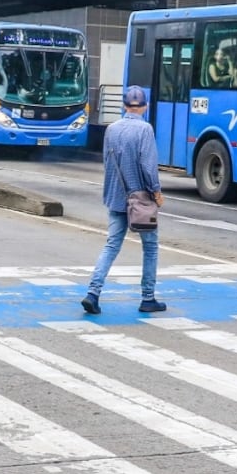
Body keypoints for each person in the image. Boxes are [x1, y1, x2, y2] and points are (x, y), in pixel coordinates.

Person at [81, 84, 166, 315]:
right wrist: (156, 192)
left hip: (116, 196)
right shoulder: (145, 129)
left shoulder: (112, 129)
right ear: (145, 106)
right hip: (141, 200)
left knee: (111, 245)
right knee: (150, 247)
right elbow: (148, 166)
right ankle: (148, 298)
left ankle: (93, 293)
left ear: (124, 105)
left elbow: (107, 163)